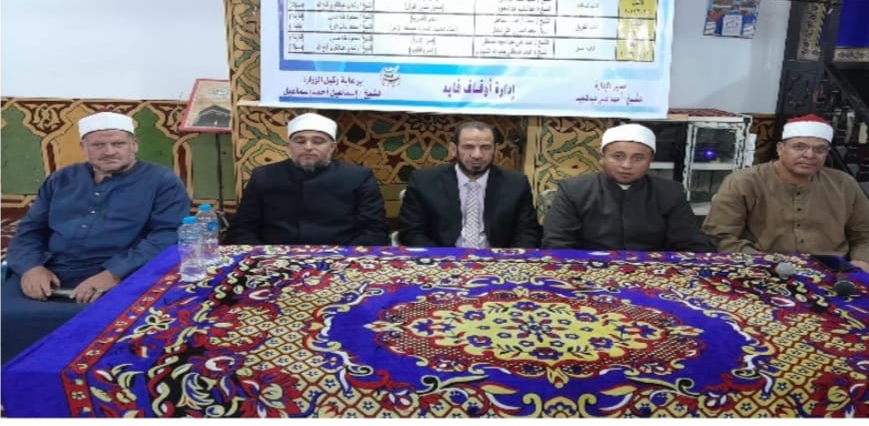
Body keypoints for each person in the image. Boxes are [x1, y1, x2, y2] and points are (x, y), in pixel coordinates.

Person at [1, 111, 191, 363]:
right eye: (98, 145)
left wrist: (113, 274)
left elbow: (166, 235)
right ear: (84, 148)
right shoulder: (61, 179)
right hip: (52, 269)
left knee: (122, 322)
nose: (109, 151)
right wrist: (31, 268)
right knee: (6, 315)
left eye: (118, 143)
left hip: (124, 272)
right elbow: (30, 229)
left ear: (134, 145)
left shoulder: (162, 181)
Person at [702, 114, 869, 279]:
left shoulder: (843, 184)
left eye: (819, 149)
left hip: (833, 273)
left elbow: (868, 230)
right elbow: (719, 235)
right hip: (761, 270)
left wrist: (862, 260)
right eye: (799, 147)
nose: (810, 155)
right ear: (780, 149)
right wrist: (765, 263)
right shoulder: (744, 182)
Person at [542, 123, 712, 252]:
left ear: (650, 161)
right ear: (602, 157)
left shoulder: (670, 193)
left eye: (638, 158)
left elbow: (691, 243)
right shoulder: (574, 190)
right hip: (588, 271)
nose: (626, 165)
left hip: (652, 272)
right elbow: (557, 243)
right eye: (618, 156)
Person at [225, 112, 387, 246]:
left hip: (340, 259)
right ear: (289, 146)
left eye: (318, 141)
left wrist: (342, 257)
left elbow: (374, 231)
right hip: (275, 258)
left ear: (332, 147)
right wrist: (265, 257)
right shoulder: (264, 176)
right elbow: (241, 230)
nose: (308, 147)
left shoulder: (358, 177)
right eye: (300, 141)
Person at [398, 121, 541, 249]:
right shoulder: (424, 181)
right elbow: (411, 232)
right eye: (468, 147)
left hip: (498, 260)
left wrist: (510, 259)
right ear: (454, 149)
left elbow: (527, 232)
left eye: (485, 147)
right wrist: (444, 258)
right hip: (442, 260)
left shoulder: (516, 183)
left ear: (495, 150)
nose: (477, 155)